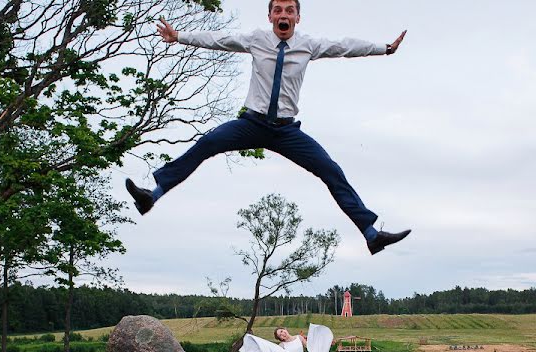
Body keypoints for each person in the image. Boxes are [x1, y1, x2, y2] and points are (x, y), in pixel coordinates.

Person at [125, 0, 411, 255]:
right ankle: (153, 195)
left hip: (287, 131)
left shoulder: (308, 45)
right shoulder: (256, 39)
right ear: (270, 16)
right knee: (207, 143)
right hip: (251, 123)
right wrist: (180, 37)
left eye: (289, 10)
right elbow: (218, 39)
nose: (283, 15)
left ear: (297, 17)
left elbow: (345, 46)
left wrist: (384, 49)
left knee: (330, 170)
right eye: (277, 10)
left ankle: (371, 234)